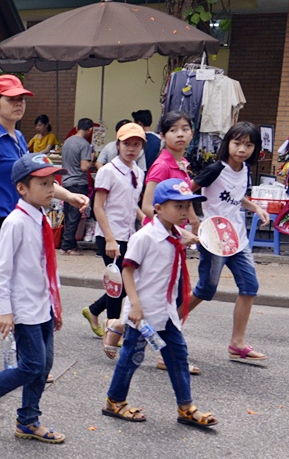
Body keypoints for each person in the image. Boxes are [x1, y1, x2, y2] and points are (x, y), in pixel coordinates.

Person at [0, 75, 88, 357]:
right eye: (11, 99)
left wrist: (69, 196)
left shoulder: (20, 137)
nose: (18, 104)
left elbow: (36, 180)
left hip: (17, 217)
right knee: (15, 277)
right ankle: (28, 352)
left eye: (21, 99)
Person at [0, 153, 65, 444]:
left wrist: (55, 304)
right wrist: (5, 311)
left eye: (51, 182)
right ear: (22, 188)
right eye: (42, 183)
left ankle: (28, 421)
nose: (50, 188)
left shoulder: (40, 219)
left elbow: (46, 268)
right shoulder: (15, 223)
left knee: (44, 365)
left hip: (42, 306)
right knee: (31, 365)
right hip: (24, 310)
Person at [102, 179, 214, 428]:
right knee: (131, 357)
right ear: (159, 208)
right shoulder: (145, 237)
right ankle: (114, 400)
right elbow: (127, 271)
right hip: (143, 313)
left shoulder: (175, 235)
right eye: (179, 207)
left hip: (166, 313)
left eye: (187, 207)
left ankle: (185, 407)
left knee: (178, 356)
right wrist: (135, 305)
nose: (184, 212)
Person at [185, 122, 272, 364]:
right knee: (205, 289)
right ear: (228, 144)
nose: (242, 149)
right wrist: (194, 221)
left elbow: (235, 196)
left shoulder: (244, 170)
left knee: (250, 286)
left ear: (255, 149)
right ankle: (166, 326)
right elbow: (186, 192)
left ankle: (237, 343)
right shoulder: (214, 169)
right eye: (237, 143)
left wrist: (255, 207)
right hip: (214, 239)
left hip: (238, 240)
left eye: (248, 145)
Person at [82, 122, 147, 354]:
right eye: (126, 144)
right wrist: (109, 239)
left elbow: (132, 205)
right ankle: (112, 333)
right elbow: (99, 207)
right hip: (110, 235)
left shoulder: (138, 173)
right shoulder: (108, 171)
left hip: (129, 236)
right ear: (117, 144)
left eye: (136, 144)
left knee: (125, 283)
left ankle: (93, 310)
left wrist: (146, 221)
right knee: (117, 286)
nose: (131, 148)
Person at [140, 112, 194, 220]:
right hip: (160, 233)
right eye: (173, 130)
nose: (180, 134)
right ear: (162, 136)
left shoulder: (182, 163)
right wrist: (172, 228)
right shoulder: (162, 166)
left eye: (185, 129)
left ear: (192, 134)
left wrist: (194, 221)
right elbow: (146, 207)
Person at [59, 118, 98, 251]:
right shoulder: (85, 145)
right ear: (90, 130)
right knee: (75, 216)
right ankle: (68, 246)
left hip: (66, 182)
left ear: (77, 127)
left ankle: (68, 243)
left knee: (68, 214)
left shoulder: (67, 142)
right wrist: (92, 158)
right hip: (78, 183)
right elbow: (84, 167)